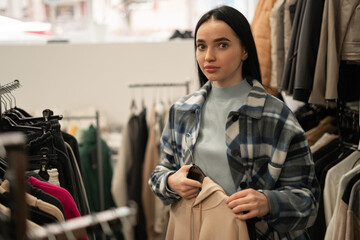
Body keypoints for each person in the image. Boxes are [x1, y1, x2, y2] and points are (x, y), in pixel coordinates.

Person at [149, 5, 320, 239]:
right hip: (200, 231)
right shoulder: (182, 111)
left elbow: (308, 202)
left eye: (222, 45)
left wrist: (268, 202)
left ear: (244, 51)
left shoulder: (275, 116)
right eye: (201, 46)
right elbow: (159, 173)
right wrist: (171, 181)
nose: (208, 56)